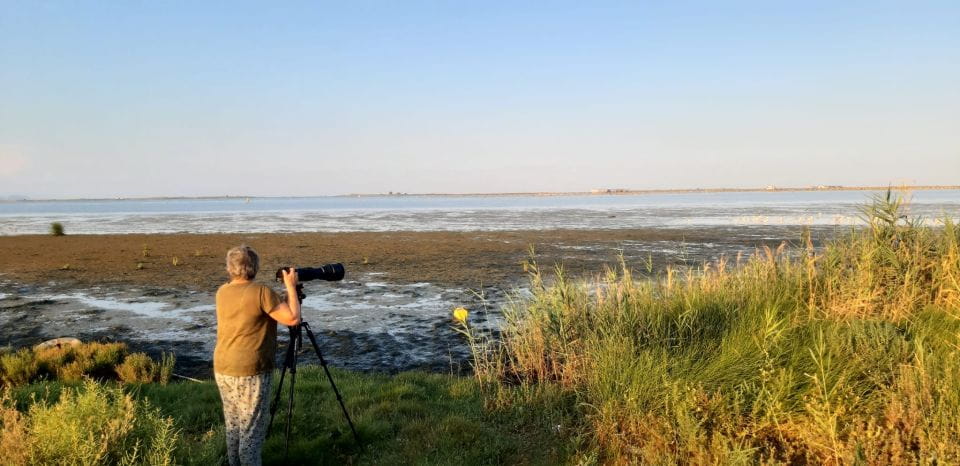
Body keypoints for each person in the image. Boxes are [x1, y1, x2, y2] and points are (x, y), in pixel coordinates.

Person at [214, 245, 300, 466]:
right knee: (251, 432)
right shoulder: (261, 292)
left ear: (229, 268)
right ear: (255, 267)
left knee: (233, 425)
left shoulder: (222, 291)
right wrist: (291, 287)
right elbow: (292, 318)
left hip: (223, 367)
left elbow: (250, 312)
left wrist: (279, 299)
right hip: (251, 370)